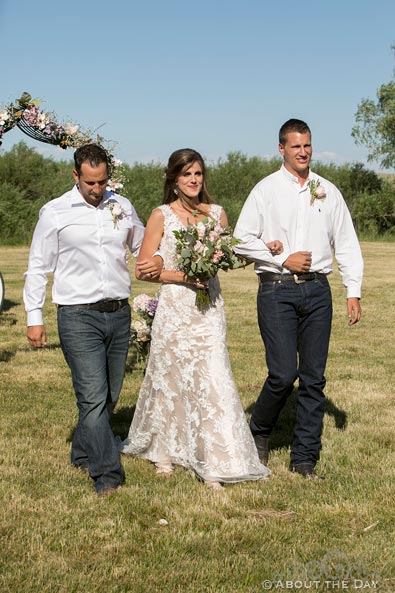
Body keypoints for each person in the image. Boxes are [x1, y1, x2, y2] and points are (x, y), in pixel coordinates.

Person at [119, 148, 271, 489]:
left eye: (198, 174)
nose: (193, 180)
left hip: (209, 308)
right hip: (175, 307)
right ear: (174, 179)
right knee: (170, 376)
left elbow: (226, 256)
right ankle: (164, 449)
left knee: (213, 374)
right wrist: (183, 276)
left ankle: (216, 456)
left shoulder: (217, 214)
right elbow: (144, 269)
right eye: (186, 174)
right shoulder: (161, 215)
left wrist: (249, 254)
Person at [23, 143, 162, 497]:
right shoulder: (54, 213)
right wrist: (33, 316)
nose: (97, 190)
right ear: (76, 176)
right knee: (93, 396)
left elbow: (141, 246)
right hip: (76, 315)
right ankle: (107, 474)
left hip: (118, 313)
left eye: (102, 182)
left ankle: (82, 452)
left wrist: (162, 256)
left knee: (110, 395)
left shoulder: (122, 206)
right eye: (90, 183)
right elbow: (38, 267)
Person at [234, 119, 364, 479]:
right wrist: (280, 258)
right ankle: (259, 430)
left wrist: (353, 291)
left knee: (313, 378)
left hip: (319, 291)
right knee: (282, 374)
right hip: (278, 289)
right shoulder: (266, 190)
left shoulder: (328, 190)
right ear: (282, 149)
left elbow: (347, 242)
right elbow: (240, 239)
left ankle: (304, 457)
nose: (303, 152)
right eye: (296, 146)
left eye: (307, 145)